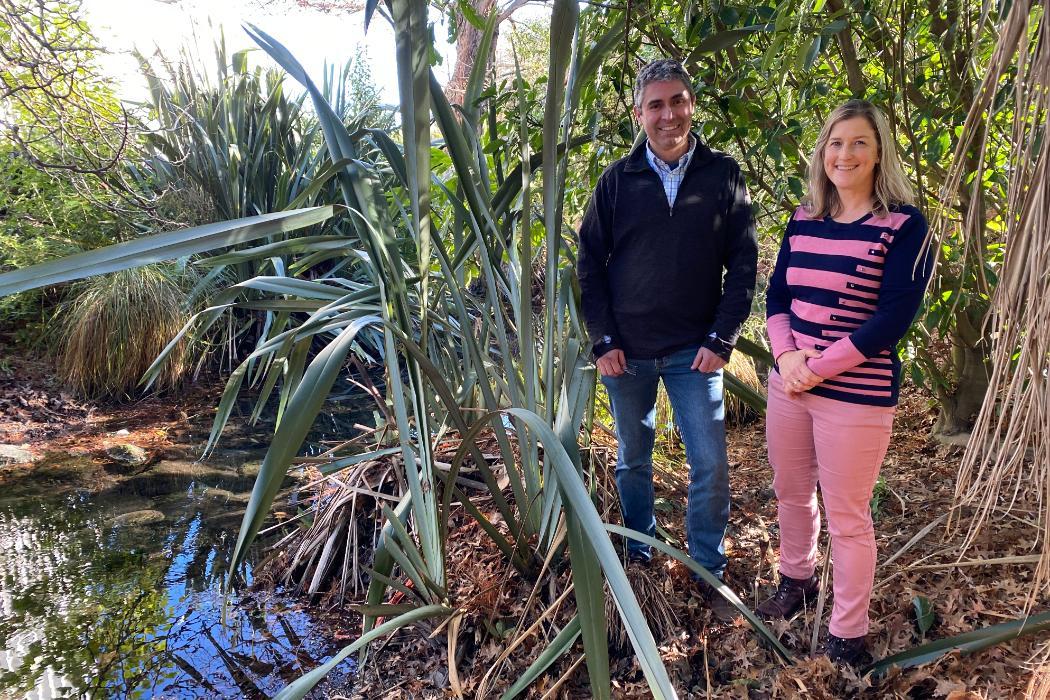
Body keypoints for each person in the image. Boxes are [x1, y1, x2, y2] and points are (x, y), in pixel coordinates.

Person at [577, 58, 758, 621]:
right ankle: (640, 553)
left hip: (694, 353)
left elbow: (744, 265)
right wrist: (603, 340)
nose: (668, 114)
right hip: (626, 354)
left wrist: (722, 338)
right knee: (634, 460)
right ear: (639, 113)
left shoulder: (723, 175)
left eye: (677, 100)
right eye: (655, 104)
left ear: (691, 105)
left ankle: (708, 567)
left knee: (711, 463)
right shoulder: (616, 182)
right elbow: (589, 266)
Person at [759, 100, 933, 664]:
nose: (845, 154)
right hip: (789, 385)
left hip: (855, 396)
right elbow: (778, 298)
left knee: (848, 517)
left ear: (879, 150)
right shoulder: (804, 218)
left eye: (859, 142)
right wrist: (786, 358)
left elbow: (892, 319)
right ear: (822, 153)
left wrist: (816, 367)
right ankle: (797, 579)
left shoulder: (905, 226)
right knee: (790, 491)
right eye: (836, 143)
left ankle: (846, 634)